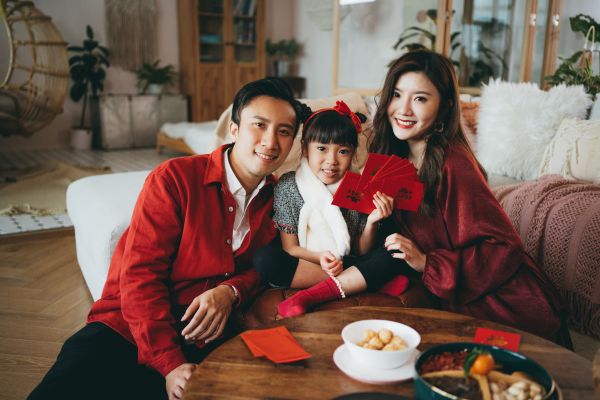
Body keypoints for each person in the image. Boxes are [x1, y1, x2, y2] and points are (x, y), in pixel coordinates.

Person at [28, 78, 307, 400]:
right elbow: (140, 276)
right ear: (234, 129)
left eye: (284, 131)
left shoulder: (281, 198)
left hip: (208, 337)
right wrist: (170, 362)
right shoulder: (174, 178)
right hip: (130, 327)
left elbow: (267, 266)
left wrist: (229, 292)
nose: (271, 142)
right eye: (259, 125)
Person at [370, 49, 568, 344]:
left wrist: (428, 263)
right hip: (445, 291)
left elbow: (504, 246)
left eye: (420, 98)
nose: (404, 109)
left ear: (445, 106)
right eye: (397, 95)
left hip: (503, 304)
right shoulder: (392, 156)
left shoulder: (454, 163)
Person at [253, 100, 410, 318]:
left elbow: (361, 250)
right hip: (307, 264)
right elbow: (290, 248)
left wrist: (373, 221)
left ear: (353, 153)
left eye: (343, 151)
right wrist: (320, 258)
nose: (331, 161)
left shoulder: (357, 186)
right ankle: (360, 281)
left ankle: (317, 293)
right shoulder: (289, 186)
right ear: (306, 148)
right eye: (321, 149)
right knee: (265, 259)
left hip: (352, 259)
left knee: (394, 250)